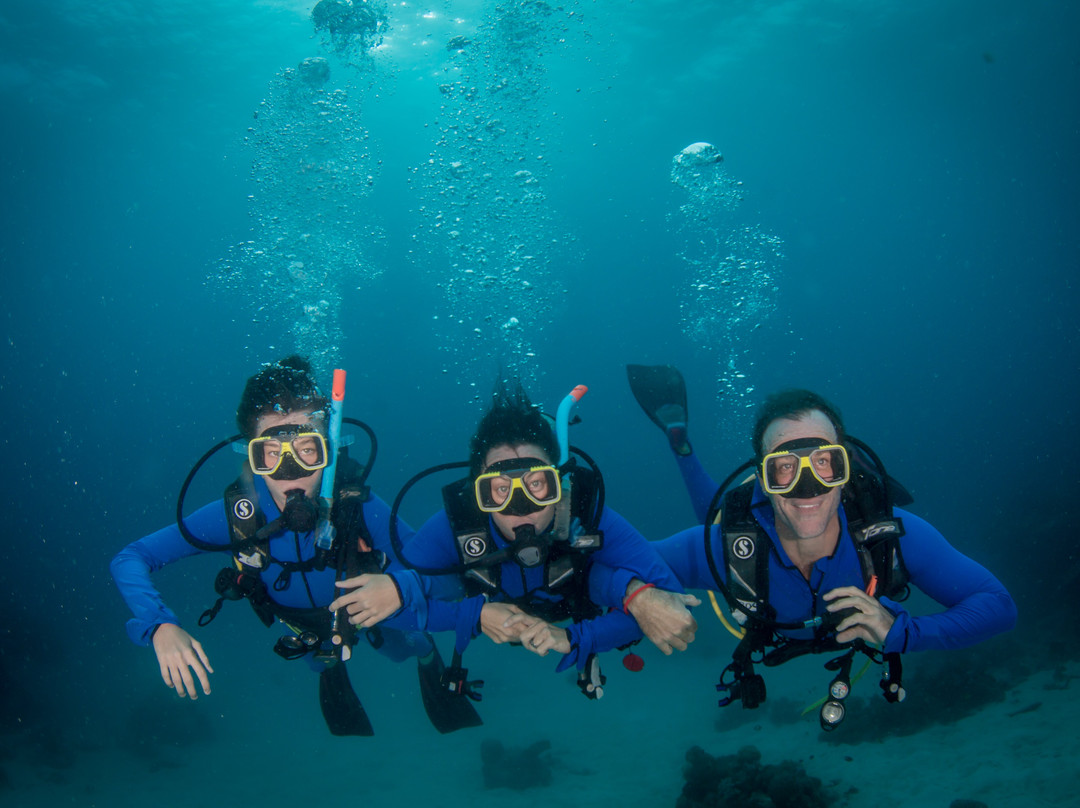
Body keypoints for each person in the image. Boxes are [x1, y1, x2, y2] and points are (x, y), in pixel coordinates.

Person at [618, 368, 1018, 729]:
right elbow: (605, 563)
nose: (807, 486)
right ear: (762, 479)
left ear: (847, 471)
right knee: (716, 518)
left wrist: (904, 632)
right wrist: (636, 595)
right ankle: (681, 445)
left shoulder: (888, 536)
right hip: (740, 529)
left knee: (716, 520)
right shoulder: (727, 549)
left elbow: (998, 605)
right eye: (784, 467)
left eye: (824, 462)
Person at [110, 356, 480, 735]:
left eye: (307, 450)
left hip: (372, 613)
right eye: (271, 453)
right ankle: (330, 668)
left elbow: (439, 574)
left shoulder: (355, 505)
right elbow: (131, 557)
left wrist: (398, 589)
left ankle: (424, 654)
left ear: (329, 450)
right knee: (319, 661)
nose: (292, 471)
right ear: (253, 458)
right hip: (300, 625)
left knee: (405, 647)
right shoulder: (239, 515)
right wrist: (158, 626)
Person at [329, 378, 700, 700]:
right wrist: (473, 615)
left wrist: (575, 638)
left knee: (622, 582)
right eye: (499, 490)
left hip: (575, 597)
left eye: (538, 485)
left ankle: (618, 594)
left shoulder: (582, 510)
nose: (521, 507)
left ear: (560, 484)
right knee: (414, 583)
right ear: (478, 493)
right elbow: (384, 608)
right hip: (480, 594)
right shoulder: (457, 523)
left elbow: (668, 600)